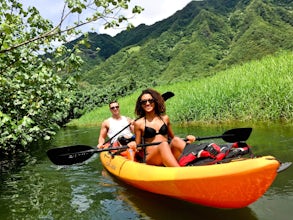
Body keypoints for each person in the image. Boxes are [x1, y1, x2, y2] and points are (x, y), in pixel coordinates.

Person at [128, 88, 195, 167]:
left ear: (155, 102)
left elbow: (173, 139)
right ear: (141, 105)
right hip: (152, 158)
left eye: (150, 100)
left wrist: (187, 140)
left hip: (168, 153)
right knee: (163, 145)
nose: (147, 103)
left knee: (176, 140)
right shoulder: (139, 123)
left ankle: (199, 159)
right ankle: (180, 172)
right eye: (144, 102)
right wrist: (134, 144)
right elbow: (139, 147)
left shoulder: (165, 118)